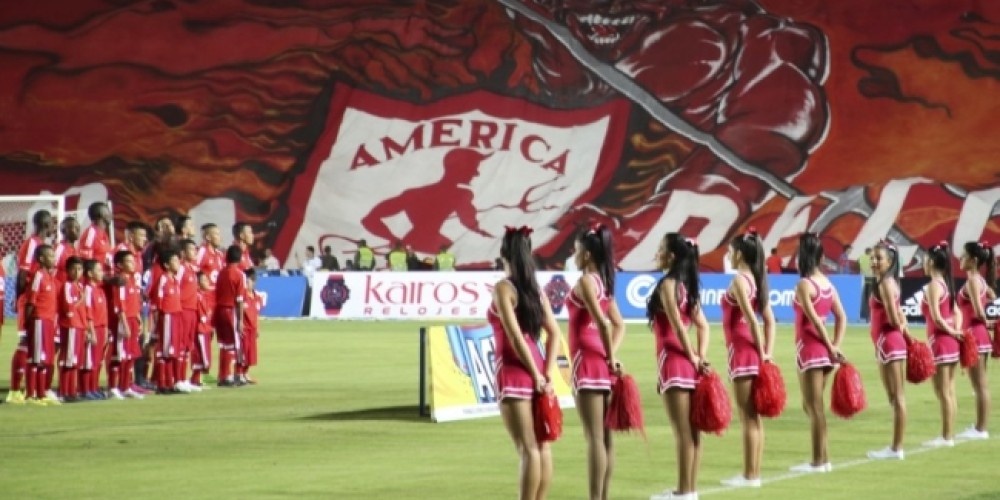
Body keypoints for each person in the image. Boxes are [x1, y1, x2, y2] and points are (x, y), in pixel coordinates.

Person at [489, 225, 562, 500]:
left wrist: (535, 374)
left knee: (527, 448)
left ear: (503, 253)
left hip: (514, 371)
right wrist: (546, 374)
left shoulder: (503, 288)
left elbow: (515, 338)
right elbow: (554, 333)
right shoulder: (535, 290)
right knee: (542, 447)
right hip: (537, 370)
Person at [647, 233, 710, 500]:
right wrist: (699, 356)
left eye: (661, 248)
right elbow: (703, 326)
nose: (657, 252)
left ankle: (683, 492)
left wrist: (692, 356)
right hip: (689, 361)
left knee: (682, 433)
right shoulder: (687, 287)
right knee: (693, 433)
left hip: (674, 361)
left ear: (672, 256)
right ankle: (690, 490)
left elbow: (674, 324)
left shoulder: (668, 285)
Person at [566, 224, 625, 500]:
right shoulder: (603, 281)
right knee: (605, 436)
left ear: (588, 254)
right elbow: (619, 324)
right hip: (599, 359)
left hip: (587, 360)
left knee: (594, 437)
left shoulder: (586, 282)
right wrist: (609, 355)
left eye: (577, 250)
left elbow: (604, 322)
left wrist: (610, 356)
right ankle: (602, 496)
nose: (574, 255)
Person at [720, 228, 775, 488]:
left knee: (747, 416)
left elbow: (754, 321)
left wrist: (762, 352)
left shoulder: (740, 281)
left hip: (743, 352)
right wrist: (767, 352)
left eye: (730, 251)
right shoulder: (756, 278)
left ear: (739, 253)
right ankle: (754, 472)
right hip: (751, 351)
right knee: (754, 417)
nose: (728, 255)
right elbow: (769, 321)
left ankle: (749, 475)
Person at [790, 232, 846, 473]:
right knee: (812, 406)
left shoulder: (805, 284)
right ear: (821, 256)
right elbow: (841, 317)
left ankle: (818, 461)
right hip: (823, 350)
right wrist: (834, 345)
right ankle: (823, 458)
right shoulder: (828, 285)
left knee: (814, 407)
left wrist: (831, 346)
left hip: (811, 350)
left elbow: (813, 319)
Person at [6, 209, 55, 405]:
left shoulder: (43, 245)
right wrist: (20, 300)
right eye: (51, 222)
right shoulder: (32, 243)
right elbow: (22, 273)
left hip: (40, 302)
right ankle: (15, 390)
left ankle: (33, 390)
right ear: (45, 223)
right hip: (30, 301)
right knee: (25, 344)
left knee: (35, 348)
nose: (53, 226)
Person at [866, 240, 909, 460]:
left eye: (879, 258)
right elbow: (900, 314)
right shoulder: (891, 282)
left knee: (898, 398)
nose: (874, 262)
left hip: (889, 343)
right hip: (890, 344)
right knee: (895, 397)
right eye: (872, 258)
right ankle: (895, 446)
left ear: (890, 261)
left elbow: (893, 317)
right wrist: (904, 327)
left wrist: (900, 325)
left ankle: (896, 448)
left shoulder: (884, 284)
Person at [922, 242, 964, 447]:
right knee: (949, 390)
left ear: (931, 262)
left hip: (940, 342)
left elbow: (937, 318)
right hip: (949, 342)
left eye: (925, 258)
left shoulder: (933, 286)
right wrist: (956, 331)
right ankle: (950, 434)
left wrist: (953, 331)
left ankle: (946, 437)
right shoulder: (946, 284)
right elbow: (957, 312)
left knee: (943, 391)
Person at [956, 241, 996, 440]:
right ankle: (980, 426)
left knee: (979, 385)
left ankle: (981, 429)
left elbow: (979, 311)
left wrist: (988, 320)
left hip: (975, 336)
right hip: (979, 335)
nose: (960, 259)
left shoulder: (973, 280)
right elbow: (991, 296)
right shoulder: (980, 280)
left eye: (963, 256)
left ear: (973, 260)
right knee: (980, 384)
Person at [25, 244, 60, 405]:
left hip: (48, 321)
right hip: (38, 319)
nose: (54, 259)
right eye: (50, 256)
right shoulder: (38, 275)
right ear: (41, 259)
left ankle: (41, 394)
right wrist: (28, 322)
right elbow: (31, 300)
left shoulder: (50, 276)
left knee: (44, 359)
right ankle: (30, 394)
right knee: (36, 358)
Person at [109, 250, 144, 400]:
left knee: (131, 355)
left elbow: (134, 303)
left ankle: (126, 386)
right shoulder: (121, 281)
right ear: (119, 265)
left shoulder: (131, 280)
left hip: (132, 319)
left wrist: (138, 318)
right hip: (124, 321)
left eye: (133, 260)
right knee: (121, 355)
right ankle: (114, 387)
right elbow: (120, 305)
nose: (133, 263)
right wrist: (125, 324)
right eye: (129, 261)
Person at [152, 249, 184, 395]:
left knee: (172, 351)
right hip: (167, 316)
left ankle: (169, 382)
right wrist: (158, 317)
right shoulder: (163, 278)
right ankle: (162, 384)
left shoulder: (175, 280)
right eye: (175, 261)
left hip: (176, 316)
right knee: (165, 351)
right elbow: (158, 299)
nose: (178, 263)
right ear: (166, 264)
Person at [215, 245, 247, 387]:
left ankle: (222, 375)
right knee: (234, 345)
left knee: (224, 345)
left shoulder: (221, 272)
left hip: (219, 310)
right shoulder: (239, 274)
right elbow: (240, 299)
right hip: (231, 310)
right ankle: (232, 375)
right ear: (240, 258)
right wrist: (240, 319)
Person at [176, 239, 202, 393]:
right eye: (192, 250)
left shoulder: (192, 269)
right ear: (183, 253)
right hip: (183, 310)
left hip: (192, 310)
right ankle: (178, 379)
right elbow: (175, 287)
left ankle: (183, 378)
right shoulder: (181, 269)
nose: (195, 252)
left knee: (187, 347)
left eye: (195, 249)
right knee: (181, 346)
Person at [82, 259, 109, 400]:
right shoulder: (87, 289)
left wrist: (105, 329)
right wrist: (91, 330)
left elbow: (103, 313)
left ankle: (93, 387)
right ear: (90, 273)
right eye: (98, 270)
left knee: (97, 360)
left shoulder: (100, 290)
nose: (102, 273)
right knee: (89, 361)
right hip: (93, 329)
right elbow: (88, 312)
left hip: (101, 329)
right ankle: (85, 389)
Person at [239, 268, 263, 385]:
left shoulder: (257, 297)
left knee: (251, 354)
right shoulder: (242, 296)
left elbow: (258, 313)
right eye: (247, 281)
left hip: (253, 329)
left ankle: (245, 373)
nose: (249, 284)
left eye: (251, 281)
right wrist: (240, 322)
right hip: (245, 328)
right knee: (243, 352)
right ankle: (239, 374)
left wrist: (258, 327)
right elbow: (239, 310)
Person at [77, 202, 112, 273]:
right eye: (108, 211)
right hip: (96, 282)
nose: (111, 215)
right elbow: (85, 262)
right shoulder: (91, 234)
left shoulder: (103, 233)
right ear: (101, 213)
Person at [53, 217, 81, 285]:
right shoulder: (59, 248)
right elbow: (51, 270)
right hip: (59, 289)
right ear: (64, 230)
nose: (78, 230)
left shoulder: (76, 250)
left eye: (78, 227)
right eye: (75, 227)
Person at [858, 247, 874, 321]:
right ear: (870, 252)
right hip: (871, 279)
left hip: (862, 279)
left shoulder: (861, 258)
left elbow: (861, 268)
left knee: (864, 299)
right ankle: (870, 317)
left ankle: (864, 316)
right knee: (871, 299)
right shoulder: (872, 258)